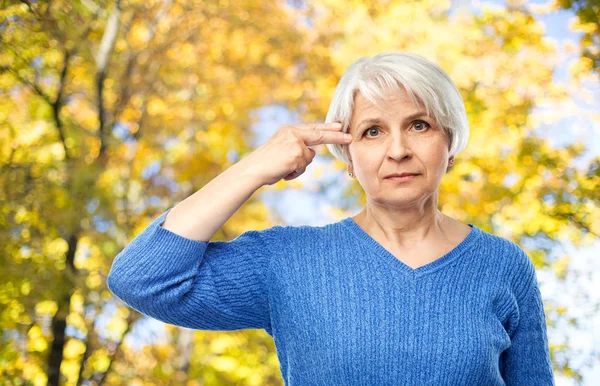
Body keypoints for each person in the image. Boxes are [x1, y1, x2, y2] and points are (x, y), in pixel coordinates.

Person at [107, 52, 555, 385]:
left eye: (419, 125)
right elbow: (141, 279)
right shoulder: (287, 261)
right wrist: (255, 167)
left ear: (450, 144)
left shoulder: (503, 265)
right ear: (347, 156)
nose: (397, 149)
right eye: (372, 131)